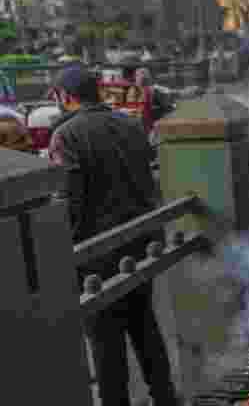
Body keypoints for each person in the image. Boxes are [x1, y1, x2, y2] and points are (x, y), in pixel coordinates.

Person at [47, 66, 178, 406]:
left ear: (65, 96)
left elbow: (69, 202)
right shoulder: (131, 124)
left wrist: (65, 252)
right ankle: (165, 398)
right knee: (144, 326)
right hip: (140, 242)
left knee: (106, 342)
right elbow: (149, 180)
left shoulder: (65, 136)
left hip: (96, 253)